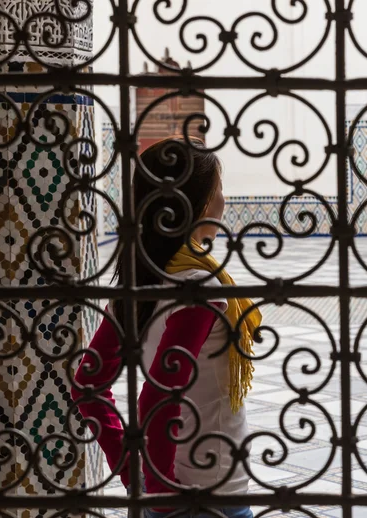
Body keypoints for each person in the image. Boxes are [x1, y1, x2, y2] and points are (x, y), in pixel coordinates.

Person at [71, 137, 259, 518]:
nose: (224, 201)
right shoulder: (199, 289)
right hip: (208, 494)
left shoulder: (138, 284)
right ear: (201, 203)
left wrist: (131, 469)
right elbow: (158, 397)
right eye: (219, 191)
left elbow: (86, 384)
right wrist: (158, 491)